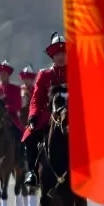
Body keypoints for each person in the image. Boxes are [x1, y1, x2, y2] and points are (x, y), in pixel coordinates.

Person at [22, 33, 66, 187]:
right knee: (29, 138)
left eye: (63, 53)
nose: (60, 57)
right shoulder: (44, 75)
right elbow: (35, 99)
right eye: (57, 54)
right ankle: (33, 173)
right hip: (47, 119)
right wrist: (33, 116)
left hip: (70, 119)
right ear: (52, 56)